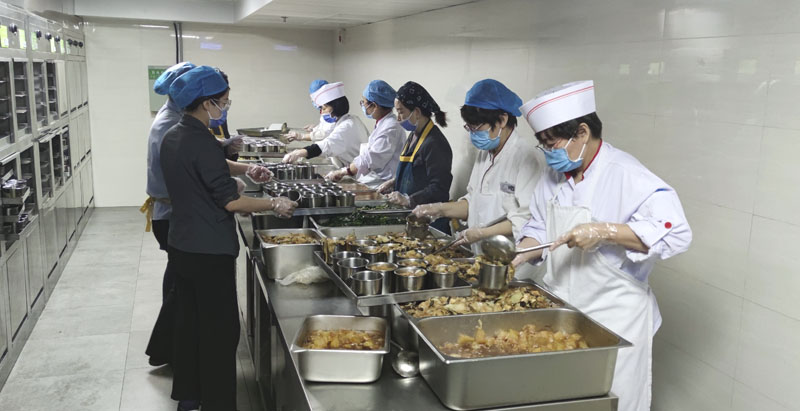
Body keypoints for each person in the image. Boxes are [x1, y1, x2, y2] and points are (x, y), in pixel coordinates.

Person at [512, 80, 692, 411]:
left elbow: (677, 232)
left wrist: (605, 231)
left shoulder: (625, 173)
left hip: (616, 320)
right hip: (565, 313)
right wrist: (519, 254)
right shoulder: (553, 177)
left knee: (613, 401)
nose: (549, 153)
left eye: (553, 144)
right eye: (544, 146)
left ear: (582, 132)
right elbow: (538, 226)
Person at [159, 66, 297, 411]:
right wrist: (274, 203)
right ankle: (219, 403)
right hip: (209, 252)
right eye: (223, 101)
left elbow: (207, 164)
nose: (225, 106)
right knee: (219, 333)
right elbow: (232, 202)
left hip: (182, 245)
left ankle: (189, 396)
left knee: (189, 324)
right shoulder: (201, 140)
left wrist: (245, 169)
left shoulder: (175, 135)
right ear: (206, 103)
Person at [411, 79, 544, 257]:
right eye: (470, 128)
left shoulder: (527, 158)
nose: (473, 133)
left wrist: (482, 233)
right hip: (482, 256)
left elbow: (527, 218)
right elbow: (473, 202)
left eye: (477, 127)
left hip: (513, 260)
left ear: (502, 120)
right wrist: (439, 209)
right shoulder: (485, 153)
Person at [380, 81, 453, 231]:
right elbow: (417, 172)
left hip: (428, 223)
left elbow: (439, 188)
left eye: (401, 112)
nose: (398, 118)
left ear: (417, 112)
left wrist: (409, 199)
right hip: (411, 216)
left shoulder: (435, 143)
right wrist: (394, 182)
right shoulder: (414, 135)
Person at [324, 79, 405, 189]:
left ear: (374, 106)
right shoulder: (383, 123)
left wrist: (344, 171)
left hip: (381, 183)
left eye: (364, 102)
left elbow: (371, 159)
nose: (362, 105)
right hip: (374, 179)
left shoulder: (390, 127)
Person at [282, 81, 369, 167]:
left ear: (335, 107)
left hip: (361, 172)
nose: (322, 113)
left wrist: (298, 153)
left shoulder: (347, 126)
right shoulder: (350, 119)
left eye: (324, 108)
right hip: (354, 168)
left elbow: (327, 145)